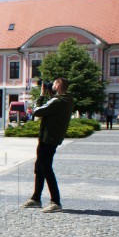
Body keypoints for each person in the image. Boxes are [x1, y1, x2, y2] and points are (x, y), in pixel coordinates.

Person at [20, 78, 74, 213]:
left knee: (46, 169)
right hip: (51, 138)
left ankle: (55, 201)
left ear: (59, 85)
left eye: (54, 83)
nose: (52, 84)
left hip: (48, 139)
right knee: (39, 167)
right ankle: (36, 198)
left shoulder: (57, 101)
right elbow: (50, 111)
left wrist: (42, 95)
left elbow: (37, 111)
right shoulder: (66, 100)